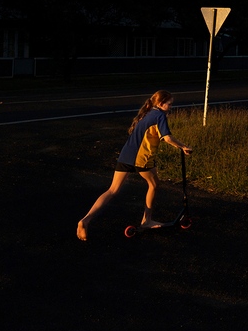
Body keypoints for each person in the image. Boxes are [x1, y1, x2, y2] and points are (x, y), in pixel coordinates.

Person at [77, 89, 191, 240]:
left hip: (126, 155)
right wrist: (183, 146)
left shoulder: (148, 113)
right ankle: (147, 220)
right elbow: (167, 138)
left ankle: (85, 220)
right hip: (141, 158)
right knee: (154, 184)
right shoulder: (160, 115)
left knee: (112, 190)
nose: (171, 107)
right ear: (160, 103)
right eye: (169, 104)